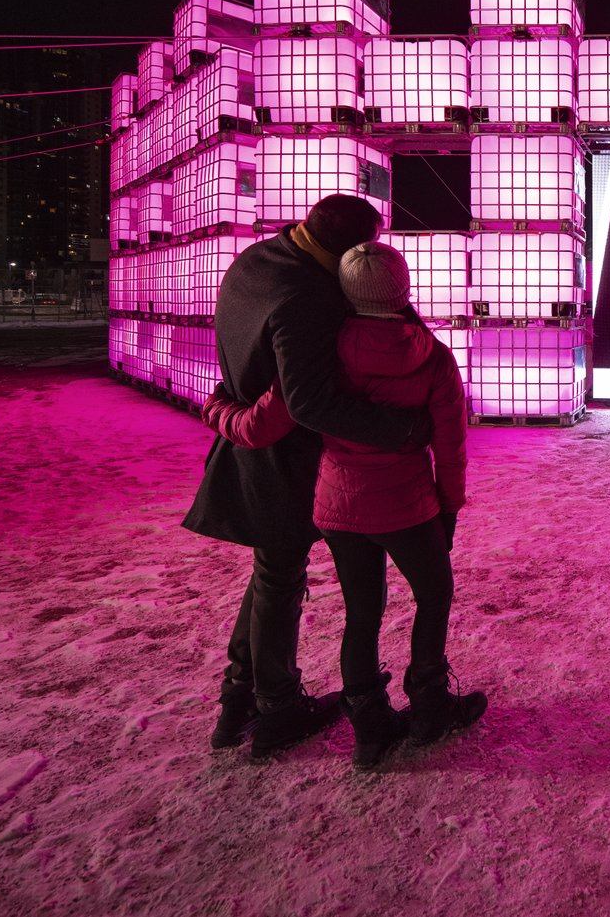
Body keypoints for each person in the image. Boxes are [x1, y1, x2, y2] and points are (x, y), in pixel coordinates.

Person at [203, 240, 485, 769]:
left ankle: (369, 725)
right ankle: (429, 703)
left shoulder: (320, 354)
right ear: (404, 289)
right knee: (434, 595)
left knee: (362, 611)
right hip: (409, 505)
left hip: (340, 508)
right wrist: (448, 510)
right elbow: (451, 447)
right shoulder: (433, 357)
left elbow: (263, 425)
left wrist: (217, 407)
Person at [185, 195, 430, 760]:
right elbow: (310, 402)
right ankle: (275, 708)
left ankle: (238, 703)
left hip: (247, 437)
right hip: (282, 457)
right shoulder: (307, 297)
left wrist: (228, 411)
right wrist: (401, 428)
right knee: (278, 578)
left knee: (270, 574)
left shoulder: (256, 259)